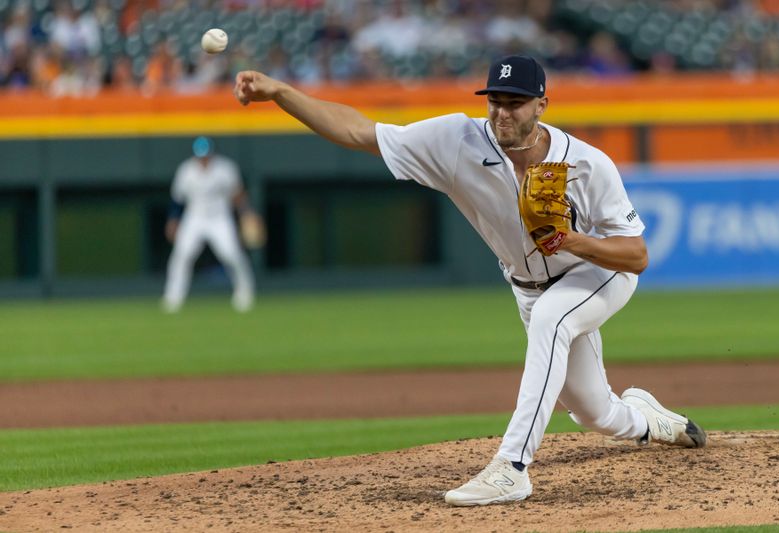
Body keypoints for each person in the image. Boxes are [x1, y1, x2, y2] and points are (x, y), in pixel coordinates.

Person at [232, 55, 706, 506]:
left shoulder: (586, 163)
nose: (501, 112)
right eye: (495, 100)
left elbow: (637, 255)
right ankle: (650, 421)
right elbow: (358, 131)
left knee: (551, 320)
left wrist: (570, 241)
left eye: (515, 102)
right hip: (528, 286)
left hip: (596, 273)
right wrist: (280, 92)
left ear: (542, 105)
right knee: (593, 412)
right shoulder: (456, 140)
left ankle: (512, 468)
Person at [162, 136, 257, 313]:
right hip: (194, 216)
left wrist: (246, 213)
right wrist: (173, 220)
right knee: (182, 255)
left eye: (206, 155)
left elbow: (237, 194)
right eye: (200, 155)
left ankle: (245, 293)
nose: (203, 158)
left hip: (219, 217)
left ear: (211, 153)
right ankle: (172, 298)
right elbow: (177, 200)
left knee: (231, 254)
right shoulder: (186, 170)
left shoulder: (225, 169)